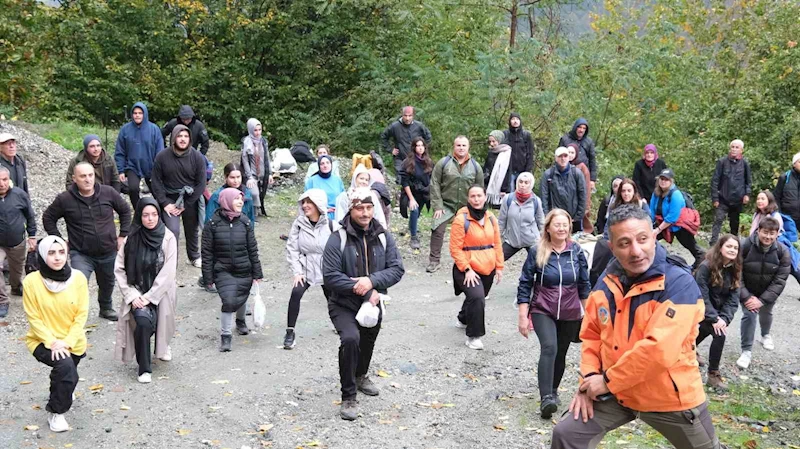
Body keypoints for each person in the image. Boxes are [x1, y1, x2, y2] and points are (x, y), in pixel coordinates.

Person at [551, 205, 721, 449]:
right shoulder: (606, 281)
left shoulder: (679, 283)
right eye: (624, 243)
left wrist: (607, 382)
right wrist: (589, 379)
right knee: (568, 434)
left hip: (668, 396)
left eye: (642, 239)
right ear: (612, 247)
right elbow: (592, 335)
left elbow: (658, 351)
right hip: (617, 393)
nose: (636, 251)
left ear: (654, 237)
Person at [322, 188, 404, 420]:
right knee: (350, 339)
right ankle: (348, 396)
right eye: (360, 208)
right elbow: (330, 276)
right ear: (351, 209)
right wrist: (360, 288)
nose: (365, 213)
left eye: (369, 207)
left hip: (374, 301)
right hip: (343, 303)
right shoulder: (338, 238)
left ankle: (360, 375)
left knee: (367, 341)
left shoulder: (383, 236)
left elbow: (397, 268)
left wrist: (372, 282)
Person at [518, 208, 590, 419]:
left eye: (565, 224)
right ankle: (546, 398)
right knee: (549, 347)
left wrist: (591, 313)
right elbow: (524, 284)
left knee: (561, 352)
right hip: (543, 308)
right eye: (557, 224)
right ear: (548, 228)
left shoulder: (576, 251)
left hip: (570, 311)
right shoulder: (536, 251)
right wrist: (523, 315)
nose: (561, 228)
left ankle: (554, 389)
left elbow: (584, 284)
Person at [43, 162, 132, 321]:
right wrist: (60, 241)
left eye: (90, 175)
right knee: (78, 283)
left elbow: (125, 211)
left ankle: (105, 307)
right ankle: (75, 315)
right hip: (81, 253)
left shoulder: (108, 192)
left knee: (107, 282)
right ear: (74, 178)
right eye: (83, 176)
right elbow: (48, 218)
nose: (87, 179)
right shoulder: (65, 199)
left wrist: (122, 235)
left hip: (108, 250)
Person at [22, 236, 88, 433]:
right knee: (66, 367)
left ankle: (65, 389)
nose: (57, 257)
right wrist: (51, 342)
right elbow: (33, 317)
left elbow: (81, 314)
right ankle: (56, 412)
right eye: (51, 253)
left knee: (68, 375)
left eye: (61, 252)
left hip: (72, 341)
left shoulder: (78, 278)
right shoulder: (31, 282)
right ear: (42, 255)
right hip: (42, 340)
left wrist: (67, 342)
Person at [114, 197, 178, 383]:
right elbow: (119, 268)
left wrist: (151, 296)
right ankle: (144, 368)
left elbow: (168, 271)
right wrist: (132, 295)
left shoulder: (168, 238)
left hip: (162, 292)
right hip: (137, 290)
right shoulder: (131, 239)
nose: (150, 219)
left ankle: (163, 346)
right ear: (139, 217)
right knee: (142, 322)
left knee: (163, 324)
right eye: (145, 215)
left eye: (154, 214)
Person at [202, 188, 263, 352]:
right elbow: (207, 252)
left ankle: (241, 321)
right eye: (236, 199)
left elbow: (252, 249)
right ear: (226, 201)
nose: (240, 202)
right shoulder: (212, 224)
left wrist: (257, 273)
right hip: (223, 270)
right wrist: (208, 277)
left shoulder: (245, 222)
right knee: (229, 301)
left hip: (244, 269)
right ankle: (226, 336)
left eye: (241, 200)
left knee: (241, 296)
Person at [450, 185, 504, 350]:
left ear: (485, 197)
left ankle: (463, 318)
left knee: (477, 297)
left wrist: (499, 267)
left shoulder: (491, 218)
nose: (476, 199)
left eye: (479, 195)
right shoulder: (461, 220)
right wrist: (467, 269)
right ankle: (474, 336)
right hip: (466, 268)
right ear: (468, 199)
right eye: (473, 196)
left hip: (488, 267)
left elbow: (497, 244)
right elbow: (454, 248)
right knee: (477, 297)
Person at [735, 216, 790, 369]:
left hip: (767, 291)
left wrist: (763, 300)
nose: (768, 236)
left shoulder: (783, 252)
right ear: (758, 230)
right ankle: (746, 351)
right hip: (748, 289)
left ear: (778, 234)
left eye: (772, 233)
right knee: (749, 314)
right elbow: (736, 273)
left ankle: (765, 334)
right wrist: (746, 296)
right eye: (765, 232)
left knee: (766, 313)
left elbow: (780, 280)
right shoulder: (745, 246)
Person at [283, 189, 333, 350]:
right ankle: (290, 332)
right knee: (296, 293)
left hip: (327, 267)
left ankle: (340, 324)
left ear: (318, 203)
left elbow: (340, 249)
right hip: (305, 266)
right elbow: (292, 248)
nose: (305, 205)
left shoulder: (331, 224)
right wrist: (297, 271)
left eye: (309, 202)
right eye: (303, 202)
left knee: (333, 297)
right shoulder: (298, 224)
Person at [151, 125, 207, 268]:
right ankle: (170, 261)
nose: (183, 139)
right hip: (169, 198)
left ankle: (193, 256)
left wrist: (186, 205)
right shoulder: (162, 156)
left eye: (186, 136)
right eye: (179, 136)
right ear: (174, 138)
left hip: (190, 198)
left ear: (190, 139)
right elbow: (156, 181)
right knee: (172, 230)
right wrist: (164, 203)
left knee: (192, 228)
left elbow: (201, 184)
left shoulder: (197, 157)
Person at [427, 136, 484, 273]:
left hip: (466, 206)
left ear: (468, 147)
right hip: (446, 204)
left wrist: (477, 208)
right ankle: (434, 261)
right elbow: (434, 184)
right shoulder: (443, 163)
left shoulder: (476, 167)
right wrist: (438, 206)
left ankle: (472, 260)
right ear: (454, 146)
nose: (461, 148)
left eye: (464, 145)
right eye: (458, 145)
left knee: (472, 232)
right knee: (437, 228)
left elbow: (480, 189)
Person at [695, 234, 741, 390]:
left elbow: (733, 299)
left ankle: (690, 350)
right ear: (720, 248)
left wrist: (724, 318)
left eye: (736, 248)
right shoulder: (706, 267)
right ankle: (713, 374)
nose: (732, 250)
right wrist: (714, 318)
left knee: (715, 330)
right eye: (729, 246)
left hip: (718, 315)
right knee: (717, 333)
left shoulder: (735, 269)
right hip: (699, 309)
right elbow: (701, 295)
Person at [650, 168, 705, 269]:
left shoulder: (676, 195)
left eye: (666, 179)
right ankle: (655, 263)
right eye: (661, 179)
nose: (663, 181)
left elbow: (672, 217)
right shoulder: (656, 193)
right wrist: (649, 226)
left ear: (671, 181)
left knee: (692, 247)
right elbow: (651, 211)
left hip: (679, 225)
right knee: (649, 240)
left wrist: (657, 230)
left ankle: (701, 265)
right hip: (663, 224)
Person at [0, 167, 37, 317]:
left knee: (16, 272)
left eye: (3, 179)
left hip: (17, 242)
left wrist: (32, 236)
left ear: (9, 180)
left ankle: (16, 287)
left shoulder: (19, 195)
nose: (1, 184)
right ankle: (2, 300)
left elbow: (30, 216)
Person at [115, 102, 164, 209]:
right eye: (135, 113)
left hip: (151, 166)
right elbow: (120, 151)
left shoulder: (154, 129)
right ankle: (139, 210)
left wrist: (159, 169)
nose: (137, 115)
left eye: (140, 113)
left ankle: (159, 211)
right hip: (132, 166)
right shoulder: (125, 130)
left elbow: (160, 150)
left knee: (157, 190)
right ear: (132, 115)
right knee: (133, 189)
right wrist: (121, 170)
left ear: (144, 114)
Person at [710, 139, 752, 244]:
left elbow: (748, 181)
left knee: (734, 223)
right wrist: (715, 198)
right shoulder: (722, 162)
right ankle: (713, 243)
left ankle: (733, 244)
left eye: (737, 147)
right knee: (718, 220)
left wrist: (747, 194)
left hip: (737, 199)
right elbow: (715, 180)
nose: (734, 149)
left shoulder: (745, 163)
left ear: (741, 150)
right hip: (723, 198)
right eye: (732, 147)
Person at [498, 172, 544, 261]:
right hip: (512, 240)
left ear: (531, 185)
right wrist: (497, 239)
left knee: (541, 264)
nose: (523, 185)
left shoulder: (536, 201)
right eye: (521, 182)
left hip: (532, 240)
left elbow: (541, 222)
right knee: (495, 261)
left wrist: (544, 240)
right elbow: (501, 221)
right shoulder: (508, 199)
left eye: (526, 183)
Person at [380, 106, 432, 182]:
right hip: (400, 158)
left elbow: (428, 137)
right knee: (401, 180)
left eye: (410, 116)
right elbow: (383, 137)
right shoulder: (395, 126)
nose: (407, 118)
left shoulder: (419, 126)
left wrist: (422, 149)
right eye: (405, 115)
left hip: (416, 159)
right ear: (402, 115)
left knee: (417, 180)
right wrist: (390, 149)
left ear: (413, 115)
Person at [541, 147, 586, 233]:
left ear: (569, 157)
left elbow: (582, 196)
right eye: (560, 156)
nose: (563, 158)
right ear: (556, 158)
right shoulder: (548, 175)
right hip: (554, 218)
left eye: (565, 156)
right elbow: (544, 197)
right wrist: (547, 216)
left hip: (573, 218)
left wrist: (578, 216)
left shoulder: (577, 173)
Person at [401, 137, 433, 250]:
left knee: (417, 214)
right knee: (414, 209)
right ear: (414, 147)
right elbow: (404, 182)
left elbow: (431, 178)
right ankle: (413, 237)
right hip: (410, 192)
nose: (420, 148)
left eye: (422, 145)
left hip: (423, 193)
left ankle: (411, 227)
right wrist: (411, 198)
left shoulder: (428, 161)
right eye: (417, 145)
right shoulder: (408, 162)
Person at [240, 118, 273, 217]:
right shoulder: (247, 142)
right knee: (254, 193)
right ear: (250, 130)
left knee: (262, 193)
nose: (258, 133)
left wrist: (270, 173)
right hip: (252, 174)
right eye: (255, 130)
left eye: (260, 130)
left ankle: (259, 210)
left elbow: (267, 157)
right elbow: (245, 161)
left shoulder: (263, 141)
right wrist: (249, 176)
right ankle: (253, 213)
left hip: (263, 173)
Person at [559, 118, 597, 192]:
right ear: (575, 127)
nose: (581, 130)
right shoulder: (565, 139)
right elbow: (559, 156)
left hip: (583, 174)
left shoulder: (588, 142)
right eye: (579, 127)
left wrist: (592, 179)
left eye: (584, 128)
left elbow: (592, 161)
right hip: (565, 173)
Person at [305, 155, 345, 220]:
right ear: (319, 166)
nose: (325, 165)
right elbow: (306, 200)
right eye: (322, 163)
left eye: (327, 163)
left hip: (337, 215)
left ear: (331, 165)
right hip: (318, 215)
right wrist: (322, 210)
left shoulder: (337, 180)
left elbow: (343, 198)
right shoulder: (312, 180)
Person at [566, 142, 593, 233]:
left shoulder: (582, 167)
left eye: (572, 153)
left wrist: (586, 205)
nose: (570, 155)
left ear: (576, 154)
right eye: (568, 152)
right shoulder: (560, 166)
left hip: (577, 202)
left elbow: (586, 187)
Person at [503, 112, 535, 186]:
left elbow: (530, 154)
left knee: (522, 192)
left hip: (523, 171)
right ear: (510, 121)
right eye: (513, 119)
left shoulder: (526, 135)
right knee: (511, 193)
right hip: (509, 171)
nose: (515, 121)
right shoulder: (505, 134)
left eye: (517, 119)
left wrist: (527, 171)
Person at [483, 130, 513, 208]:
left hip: (501, 187)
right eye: (490, 142)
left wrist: (504, 189)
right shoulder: (490, 152)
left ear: (499, 141)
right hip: (488, 185)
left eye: (494, 141)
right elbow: (486, 167)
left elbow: (507, 172)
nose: (491, 144)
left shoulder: (506, 153)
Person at [773, 152, 800, 228]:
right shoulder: (785, 177)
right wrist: (779, 214)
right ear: (794, 164)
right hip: (787, 218)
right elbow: (776, 197)